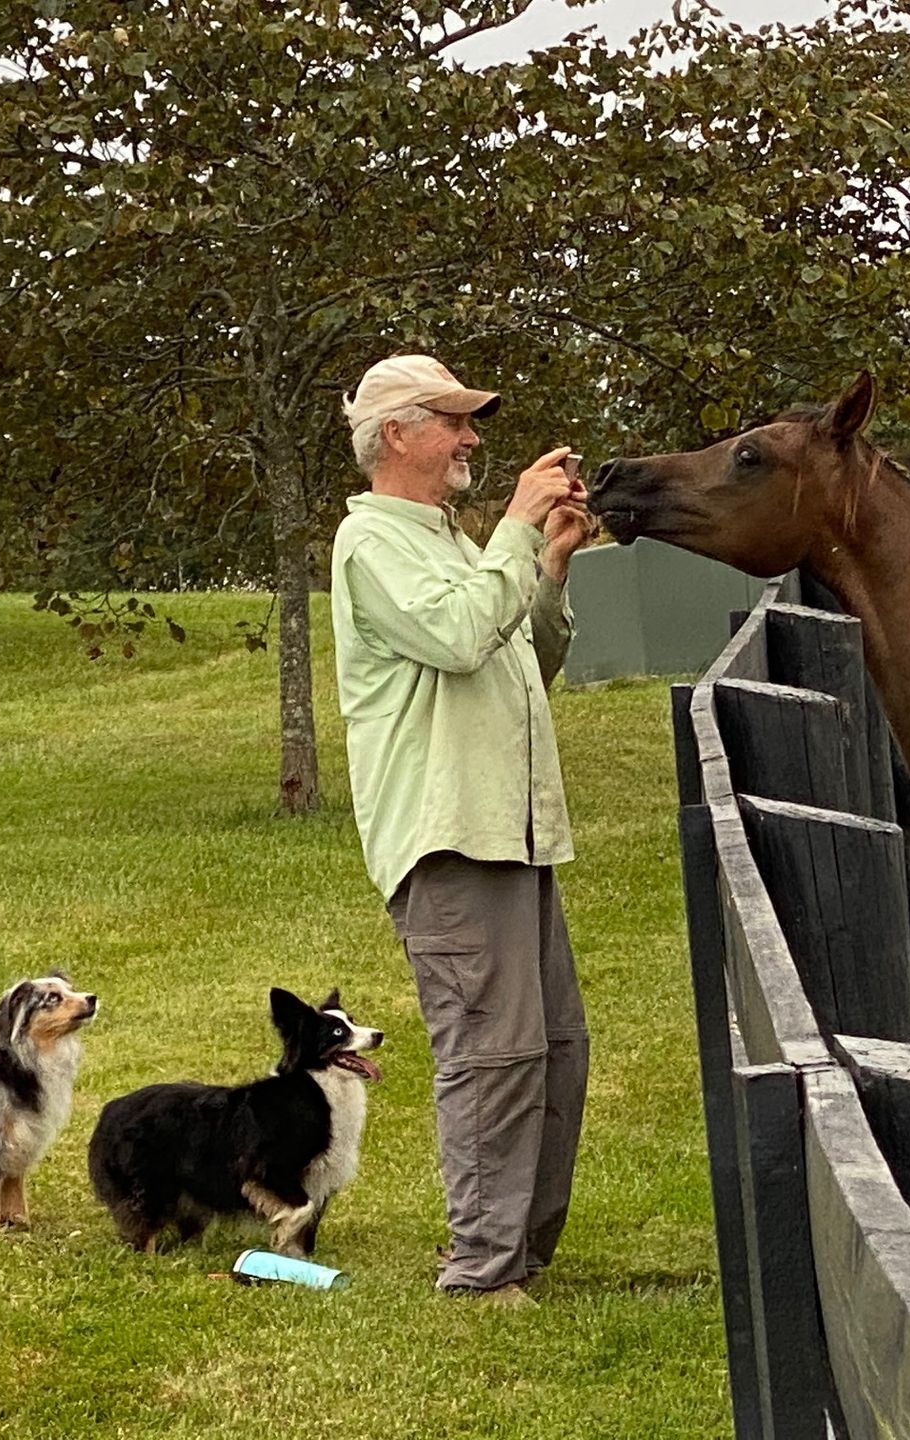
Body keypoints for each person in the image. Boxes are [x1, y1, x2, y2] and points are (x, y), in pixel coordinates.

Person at [329, 353, 595, 1306]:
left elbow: (529, 666)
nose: (472, 439)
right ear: (398, 434)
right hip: (449, 844)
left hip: (512, 835)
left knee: (556, 1047)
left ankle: (520, 1255)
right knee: (493, 1055)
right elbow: (453, 637)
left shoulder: (449, 546)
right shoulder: (373, 547)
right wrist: (518, 528)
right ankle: (481, 1272)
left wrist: (549, 564)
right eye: (455, 421)